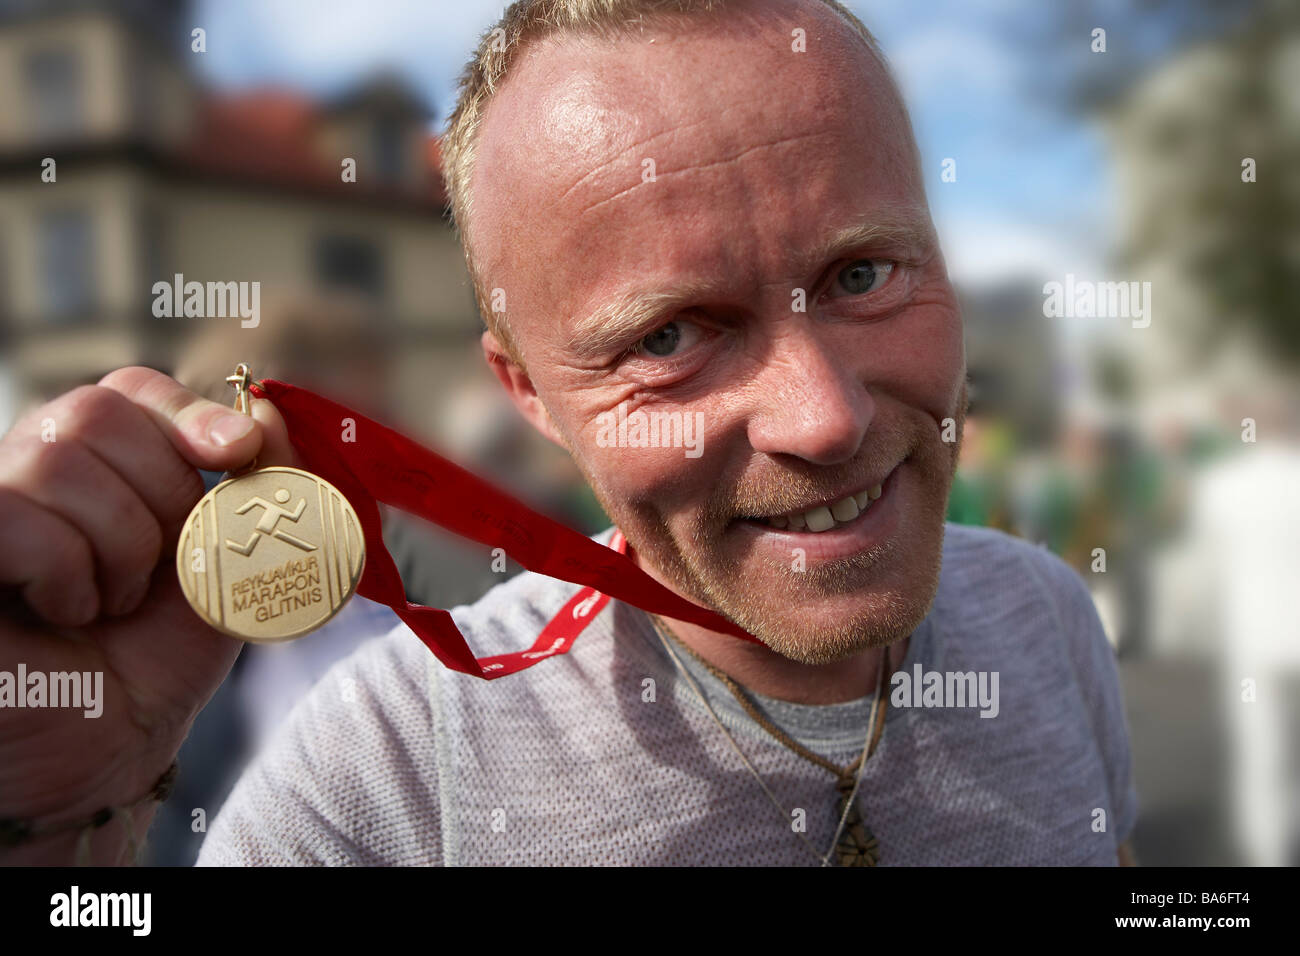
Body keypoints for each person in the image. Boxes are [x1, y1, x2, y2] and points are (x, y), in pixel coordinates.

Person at [0, 0, 1137, 866]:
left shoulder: (1045, 614)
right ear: (528, 394)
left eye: (864, 272)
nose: (825, 416)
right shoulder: (385, 765)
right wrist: (56, 817)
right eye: (668, 335)